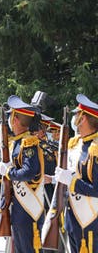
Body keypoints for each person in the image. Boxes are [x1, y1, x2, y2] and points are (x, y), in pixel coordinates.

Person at [0, 96, 44, 253]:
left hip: (28, 210)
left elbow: (29, 172)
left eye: (11, 116)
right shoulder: (17, 142)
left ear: (15, 119)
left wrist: (9, 172)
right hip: (18, 207)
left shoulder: (28, 142)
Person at [54, 94, 98, 253]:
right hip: (72, 218)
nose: (74, 118)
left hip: (91, 220)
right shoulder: (76, 143)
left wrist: (71, 181)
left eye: (77, 115)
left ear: (83, 118)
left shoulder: (96, 149)